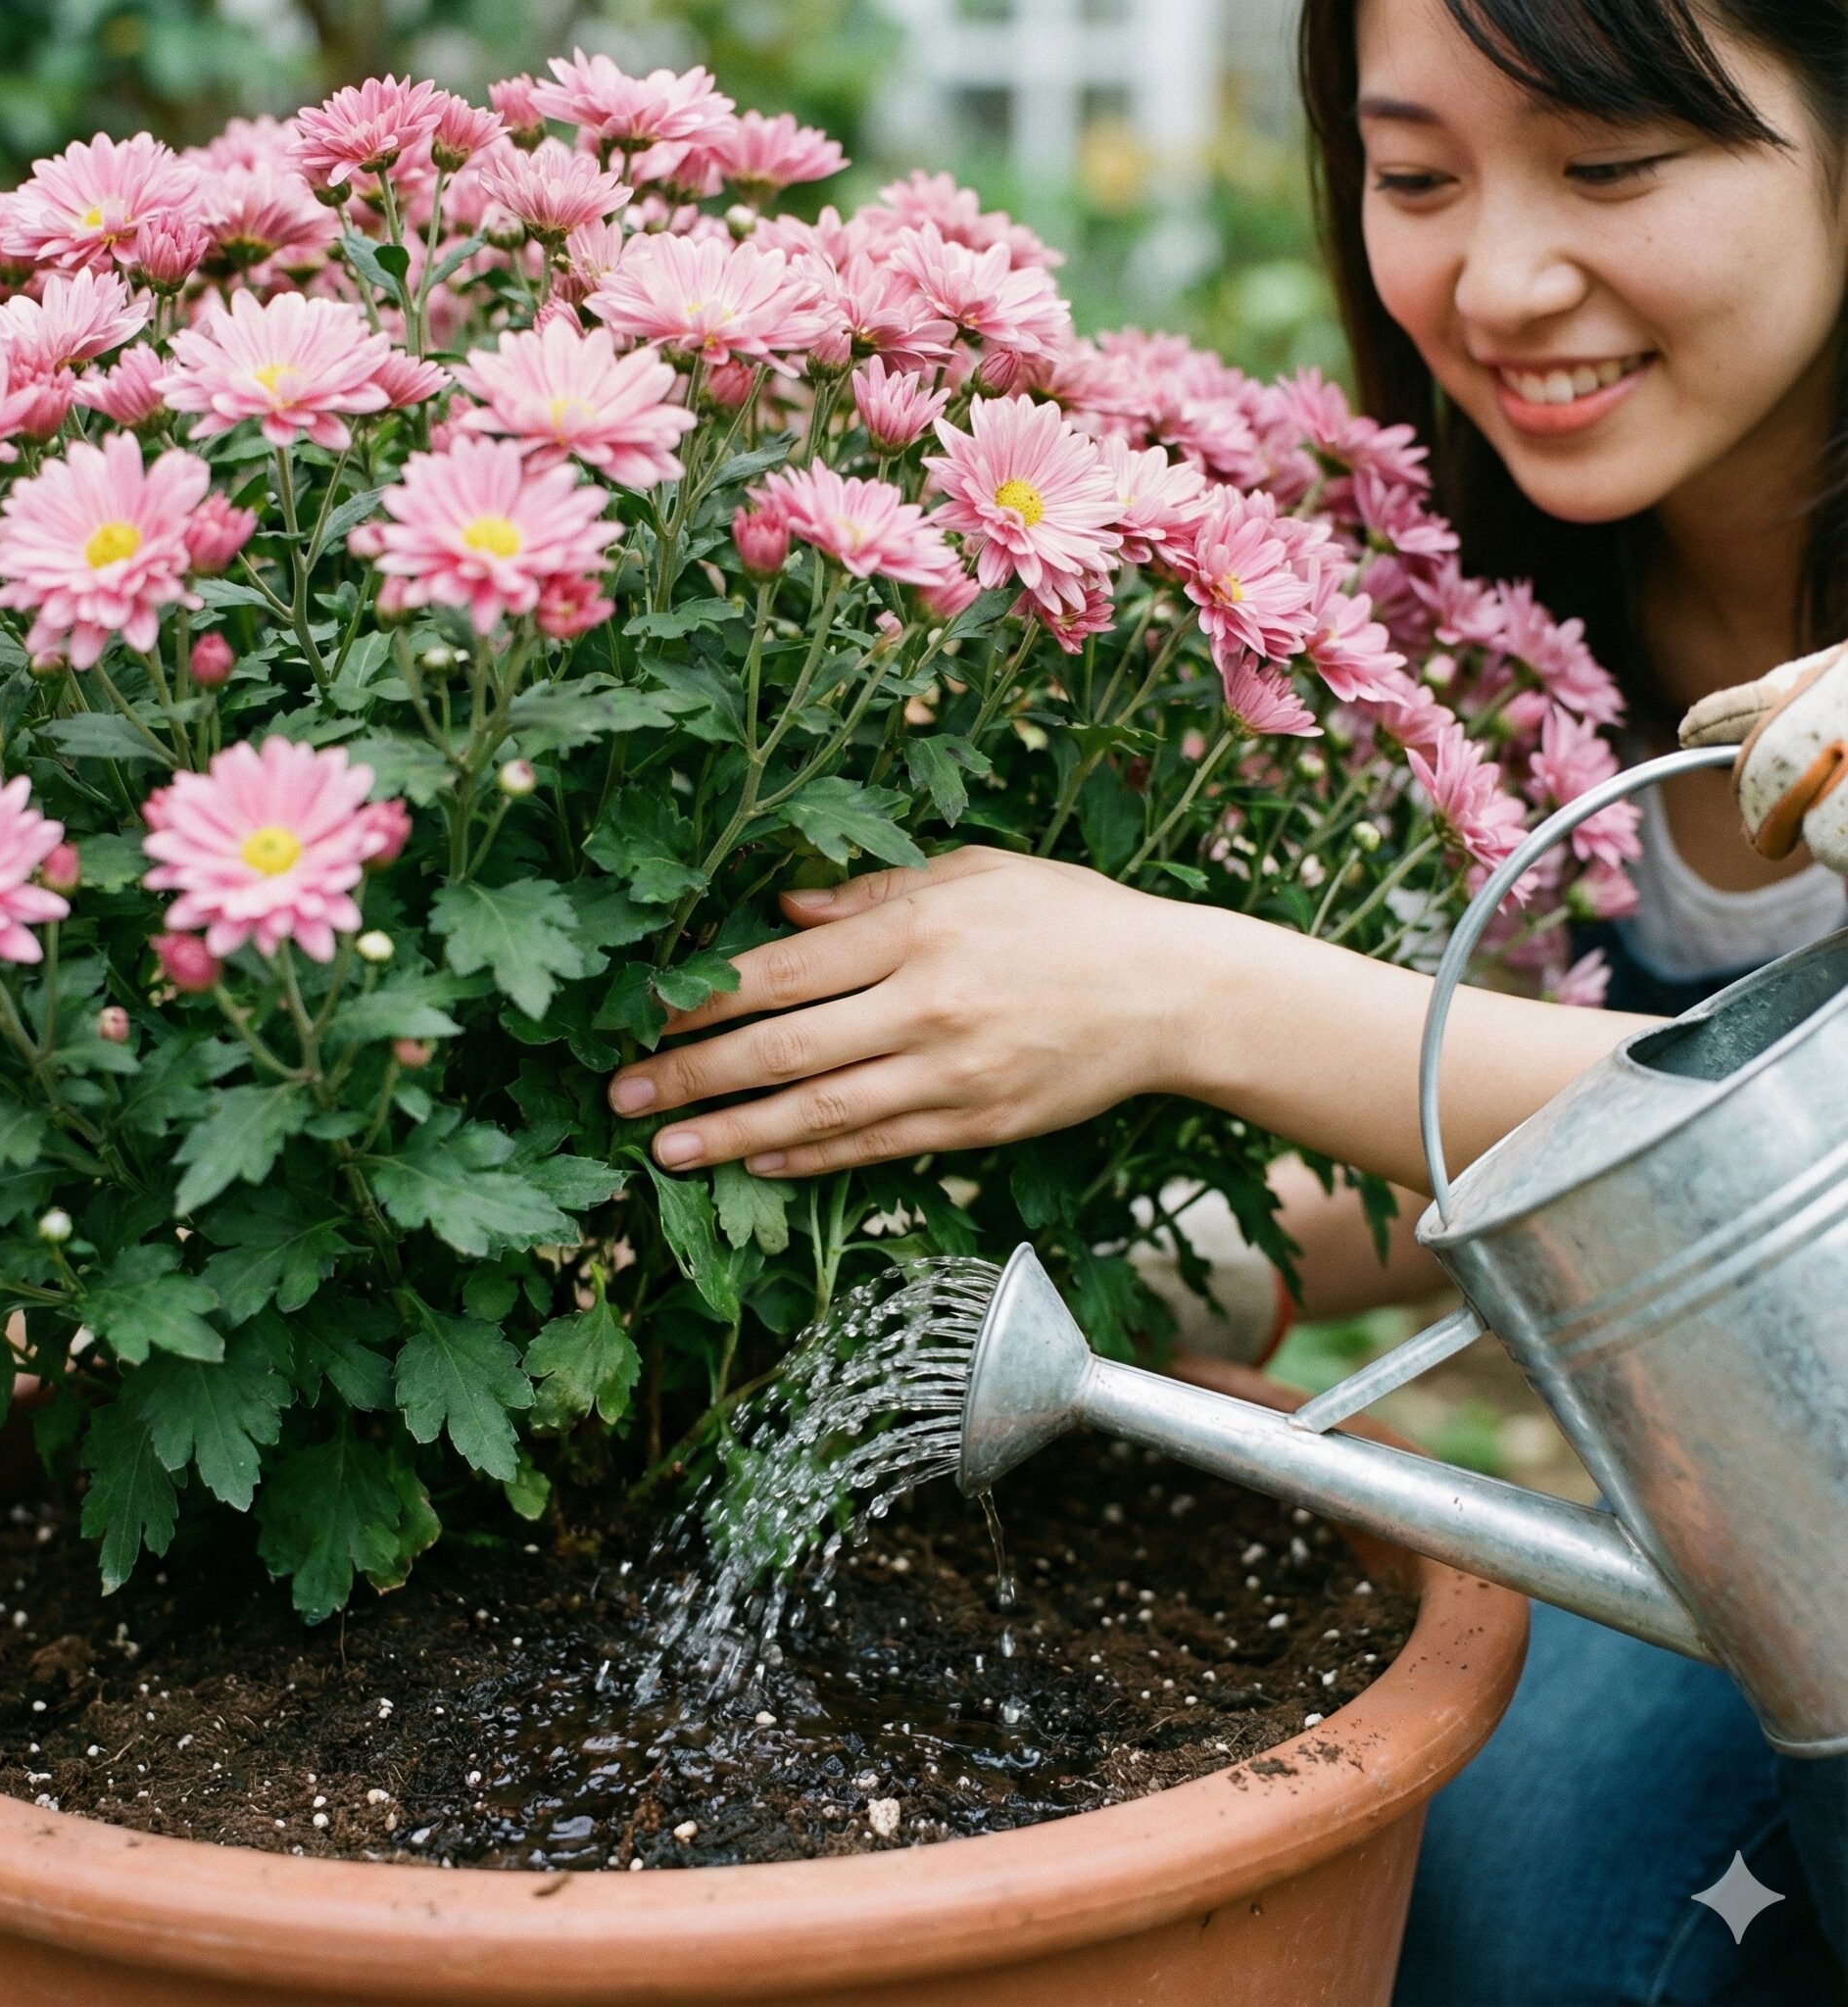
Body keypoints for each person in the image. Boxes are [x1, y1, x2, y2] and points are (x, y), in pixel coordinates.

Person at [603, 0, 1848, 1995]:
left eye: (1609, 166)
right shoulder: (1501, 598)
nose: (1498, 282)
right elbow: (1500, 1159)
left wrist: (1183, 990)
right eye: (1416, 174)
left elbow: (1792, 1184)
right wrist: (1119, 1271)